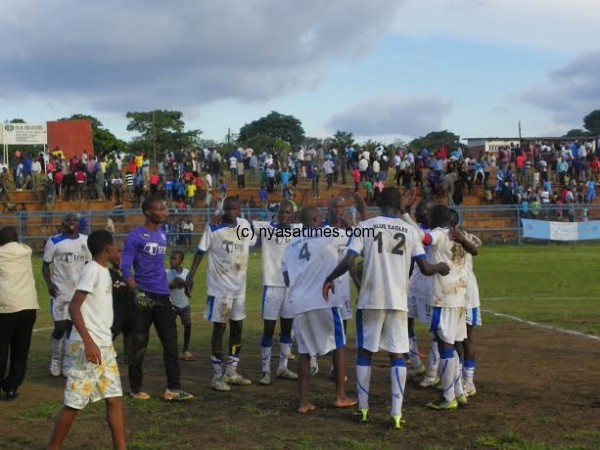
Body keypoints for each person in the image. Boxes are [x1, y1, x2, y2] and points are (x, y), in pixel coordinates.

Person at [323, 187, 449, 429]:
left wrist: (330, 277)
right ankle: (396, 413)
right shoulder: (410, 232)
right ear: (399, 204)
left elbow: (350, 260)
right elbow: (424, 268)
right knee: (397, 355)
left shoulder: (365, 226)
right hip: (398, 301)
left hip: (371, 299)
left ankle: (363, 408)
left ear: (379, 203)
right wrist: (440, 267)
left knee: (365, 353)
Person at [47, 230, 126, 450]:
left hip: (105, 346)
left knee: (114, 398)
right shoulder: (91, 270)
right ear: (106, 249)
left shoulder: (103, 271)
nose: (118, 249)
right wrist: (89, 342)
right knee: (73, 404)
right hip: (87, 346)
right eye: (116, 246)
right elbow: (74, 307)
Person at [282, 207, 356, 414]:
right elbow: (356, 239)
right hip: (323, 301)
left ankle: (303, 402)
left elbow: (286, 278)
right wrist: (350, 224)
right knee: (338, 345)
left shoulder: (291, 244)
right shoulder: (328, 234)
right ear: (315, 220)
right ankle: (341, 395)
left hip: (298, 303)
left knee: (305, 353)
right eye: (320, 218)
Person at [121, 196, 193, 401]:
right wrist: (137, 291)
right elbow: (125, 269)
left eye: (165, 208)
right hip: (143, 295)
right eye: (160, 209)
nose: (165, 212)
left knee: (171, 343)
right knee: (139, 344)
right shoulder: (135, 237)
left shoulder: (162, 235)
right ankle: (135, 388)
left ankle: (173, 388)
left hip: (162, 296)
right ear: (147, 212)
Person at [187, 197, 257, 392]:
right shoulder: (214, 228)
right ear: (223, 209)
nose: (232, 211)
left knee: (237, 327)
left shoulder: (244, 225)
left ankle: (231, 372)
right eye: (228, 208)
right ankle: (217, 376)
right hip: (219, 289)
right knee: (219, 328)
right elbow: (200, 252)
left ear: (240, 209)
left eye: (235, 208)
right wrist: (190, 277)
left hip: (239, 289)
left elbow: (252, 239)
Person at [423, 205, 475, 410]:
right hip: (460, 299)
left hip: (443, 299)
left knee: (444, 345)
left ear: (434, 219)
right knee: (452, 345)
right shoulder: (458, 236)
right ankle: (459, 392)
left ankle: (448, 396)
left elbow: (425, 239)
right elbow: (475, 249)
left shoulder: (439, 234)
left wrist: (406, 221)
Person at [252, 201, 300, 385]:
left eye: (288, 213)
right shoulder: (266, 228)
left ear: (292, 216)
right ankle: (265, 371)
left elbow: (319, 225)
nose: (284, 215)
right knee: (269, 330)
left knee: (287, 329)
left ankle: (283, 367)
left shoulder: (298, 229)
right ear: (277, 213)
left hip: (291, 288)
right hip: (271, 286)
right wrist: (218, 217)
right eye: (281, 212)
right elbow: (244, 225)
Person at [42, 213, 92, 377]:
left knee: (73, 328)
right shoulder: (54, 241)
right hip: (60, 292)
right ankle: (56, 358)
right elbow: (45, 265)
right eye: (68, 220)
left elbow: (89, 265)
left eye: (75, 220)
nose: (72, 222)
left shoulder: (85, 241)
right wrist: (49, 284)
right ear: (63, 223)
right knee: (60, 327)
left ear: (79, 224)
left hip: (78, 293)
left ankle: (67, 362)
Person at [0, 226, 39, 401]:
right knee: (21, 348)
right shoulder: (26, 251)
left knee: (2, 348)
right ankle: (12, 386)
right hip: (28, 305)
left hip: (6, 307)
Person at [449, 209, 482, 398]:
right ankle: (458, 378)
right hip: (452, 294)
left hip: (468, 294)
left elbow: (475, 249)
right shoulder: (442, 237)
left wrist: (462, 238)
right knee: (455, 340)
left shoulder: (463, 236)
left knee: (467, 337)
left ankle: (468, 382)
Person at [166, 251, 195, 361]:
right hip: (171, 305)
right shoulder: (166, 273)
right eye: (171, 258)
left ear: (181, 261)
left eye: (174, 259)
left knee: (187, 326)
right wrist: (170, 286)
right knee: (170, 329)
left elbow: (190, 287)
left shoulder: (186, 272)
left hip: (184, 305)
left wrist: (184, 283)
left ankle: (185, 351)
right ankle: (172, 351)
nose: (171, 261)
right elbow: (162, 288)